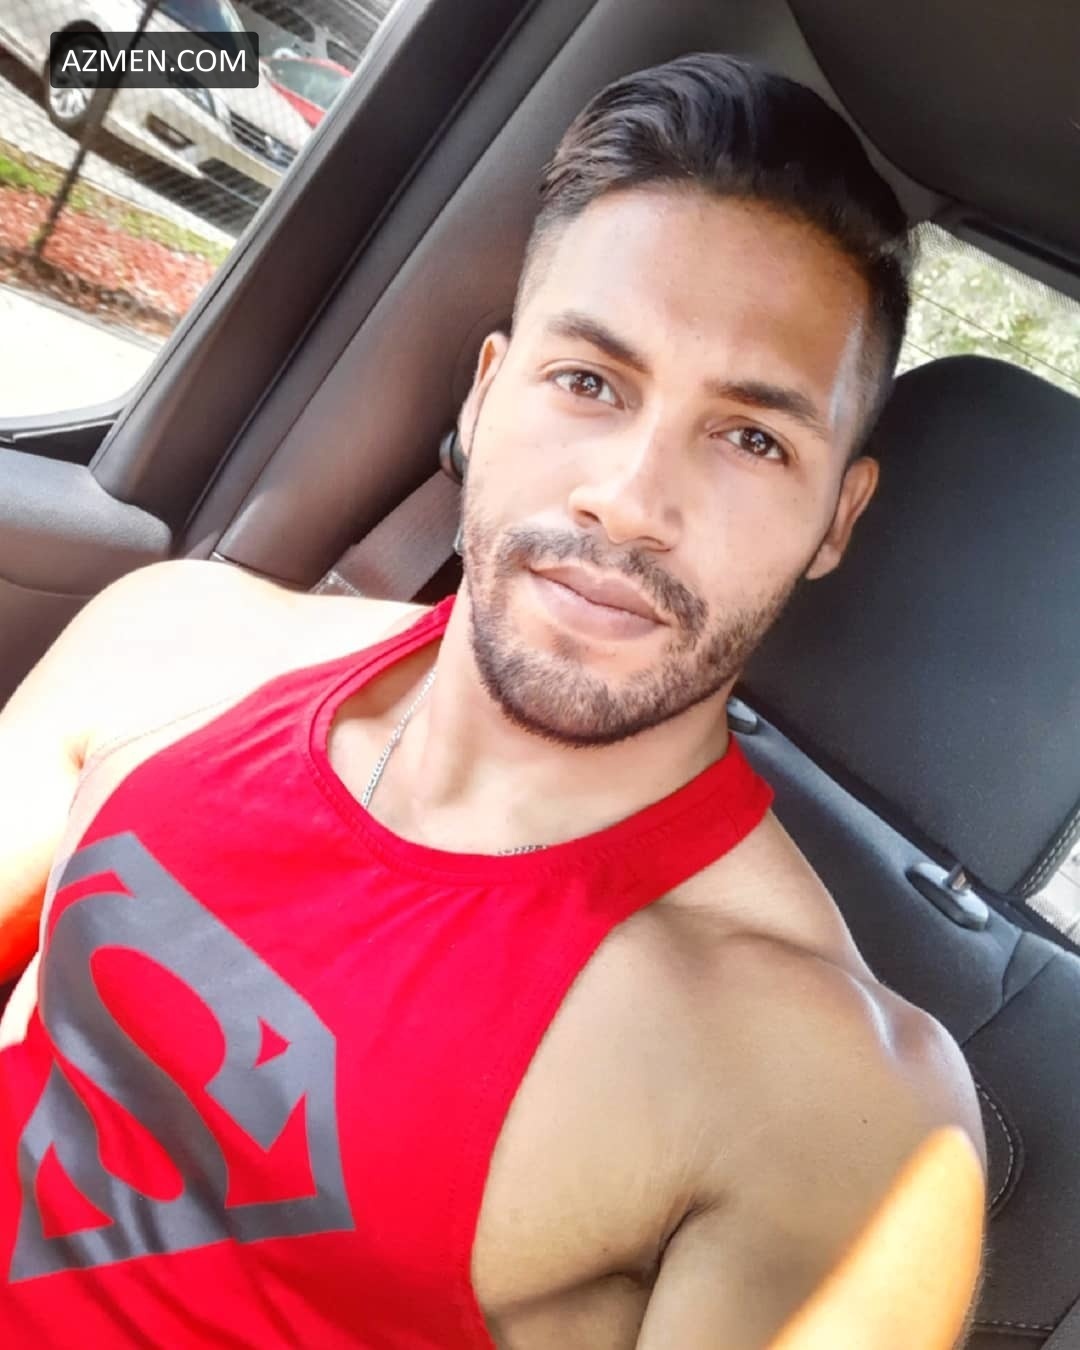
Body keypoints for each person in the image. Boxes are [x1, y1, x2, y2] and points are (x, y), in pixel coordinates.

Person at [0, 53, 986, 1350]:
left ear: (836, 519)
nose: (628, 499)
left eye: (753, 437)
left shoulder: (837, 1106)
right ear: (485, 394)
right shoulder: (173, 645)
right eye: (591, 382)